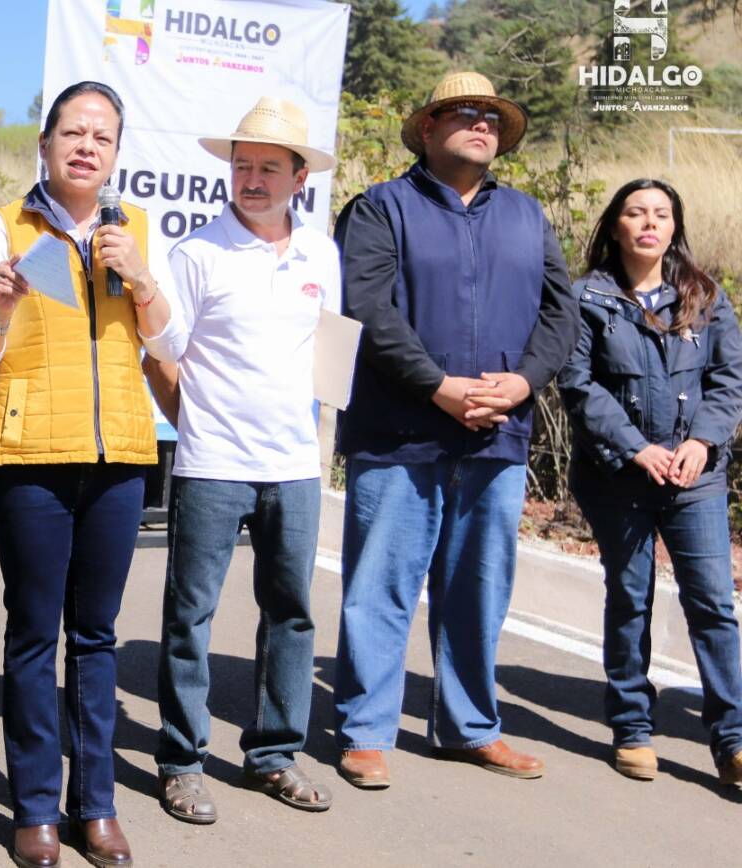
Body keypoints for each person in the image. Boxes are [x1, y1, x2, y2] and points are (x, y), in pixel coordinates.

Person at [331, 71, 577, 788]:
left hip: (495, 434)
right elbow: (367, 306)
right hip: (400, 431)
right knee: (382, 584)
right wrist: (436, 386)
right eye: (463, 113)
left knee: (479, 587)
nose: (482, 124)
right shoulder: (381, 208)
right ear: (429, 129)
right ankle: (366, 730)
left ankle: (470, 726)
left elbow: (561, 316)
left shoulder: (529, 217)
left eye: (492, 117)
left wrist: (525, 381)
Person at [0, 81, 175, 868]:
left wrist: (141, 277)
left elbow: (166, 339)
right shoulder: (2, 229)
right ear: (44, 142)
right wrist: (1, 308)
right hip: (31, 457)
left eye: (103, 136)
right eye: (73, 132)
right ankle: (36, 808)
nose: (87, 146)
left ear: (117, 153)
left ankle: (99, 805)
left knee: (98, 636)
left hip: (119, 455)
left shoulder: (136, 229)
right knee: (31, 633)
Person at [143, 97, 338, 822]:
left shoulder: (322, 252)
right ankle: (181, 761)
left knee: (291, 614)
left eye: (268, 168)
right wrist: (196, 425)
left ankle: (274, 757)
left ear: (298, 179)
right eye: (242, 165)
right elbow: (161, 356)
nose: (252, 179)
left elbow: (329, 354)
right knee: (190, 617)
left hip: (293, 465)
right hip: (212, 463)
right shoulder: (196, 253)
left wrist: (313, 443)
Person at [556, 178, 742, 785]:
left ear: (673, 226)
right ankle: (633, 726)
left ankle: (733, 739)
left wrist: (701, 441)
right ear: (615, 225)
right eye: (636, 212)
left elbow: (728, 382)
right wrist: (636, 449)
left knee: (713, 603)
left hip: (696, 477)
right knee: (630, 598)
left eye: (661, 214)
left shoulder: (705, 296)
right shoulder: (587, 298)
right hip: (618, 477)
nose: (648, 223)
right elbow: (578, 384)